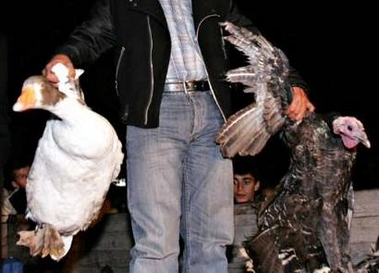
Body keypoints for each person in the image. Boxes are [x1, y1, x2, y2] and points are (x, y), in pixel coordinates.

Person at [42, 1, 315, 272]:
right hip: (155, 114)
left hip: (213, 114)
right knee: (156, 241)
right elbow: (90, 36)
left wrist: (292, 81)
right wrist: (66, 57)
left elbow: (254, 40)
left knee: (211, 239)